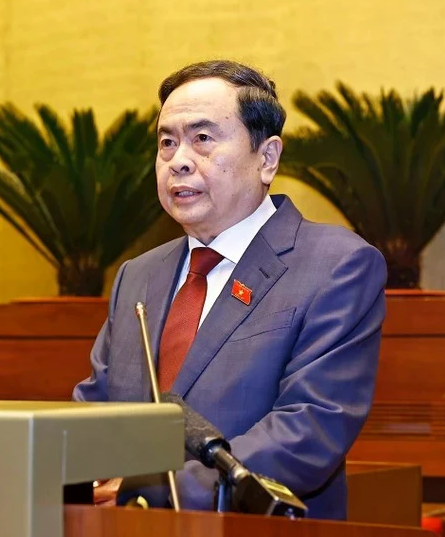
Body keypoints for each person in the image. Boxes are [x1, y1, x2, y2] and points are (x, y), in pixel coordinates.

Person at [72, 59, 387, 520]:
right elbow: (94, 411)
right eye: (166, 142)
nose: (178, 159)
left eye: (202, 138)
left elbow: (308, 430)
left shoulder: (336, 266)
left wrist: (149, 491)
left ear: (267, 158)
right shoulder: (137, 276)